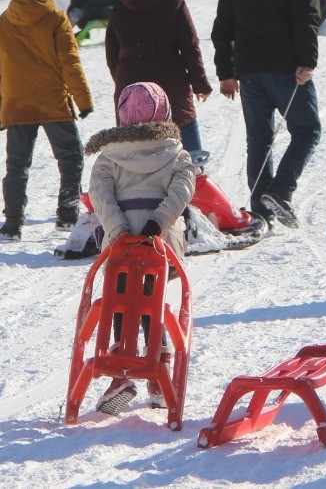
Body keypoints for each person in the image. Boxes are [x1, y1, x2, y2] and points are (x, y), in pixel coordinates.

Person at [83, 81, 199, 414]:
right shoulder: (176, 153)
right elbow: (182, 190)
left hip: (120, 246)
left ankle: (120, 374)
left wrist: (120, 230)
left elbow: (100, 196)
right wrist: (156, 224)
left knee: (120, 301)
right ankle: (158, 375)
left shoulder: (108, 156)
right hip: (159, 244)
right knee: (151, 300)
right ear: (163, 113)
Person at [212, 0, 322, 228]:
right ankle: (281, 190)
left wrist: (226, 73)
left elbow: (223, 28)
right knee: (307, 129)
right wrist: (307, 61)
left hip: (249, 73)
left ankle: (261, 210)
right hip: (287, 69)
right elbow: (307, 20)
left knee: (259, 140)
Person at [0, 0, 95, 240]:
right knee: (70, 157)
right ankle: (68, 214)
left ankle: (12, 223)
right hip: (53, 102)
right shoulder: (57, 18)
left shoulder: (1, 24)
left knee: (17, 164)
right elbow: (70, 63)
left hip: (16, 104)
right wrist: (83, 100)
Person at [104, 0, 214, 165]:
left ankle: (136, 187)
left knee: (133, 137)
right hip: (169, 78)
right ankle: (194, 179)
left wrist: (120, 78)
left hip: (130, 80)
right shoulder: (173, 0)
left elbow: (111, 48)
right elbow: (190, 46)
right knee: (183, 126)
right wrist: (199, 83)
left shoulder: (121, 3)